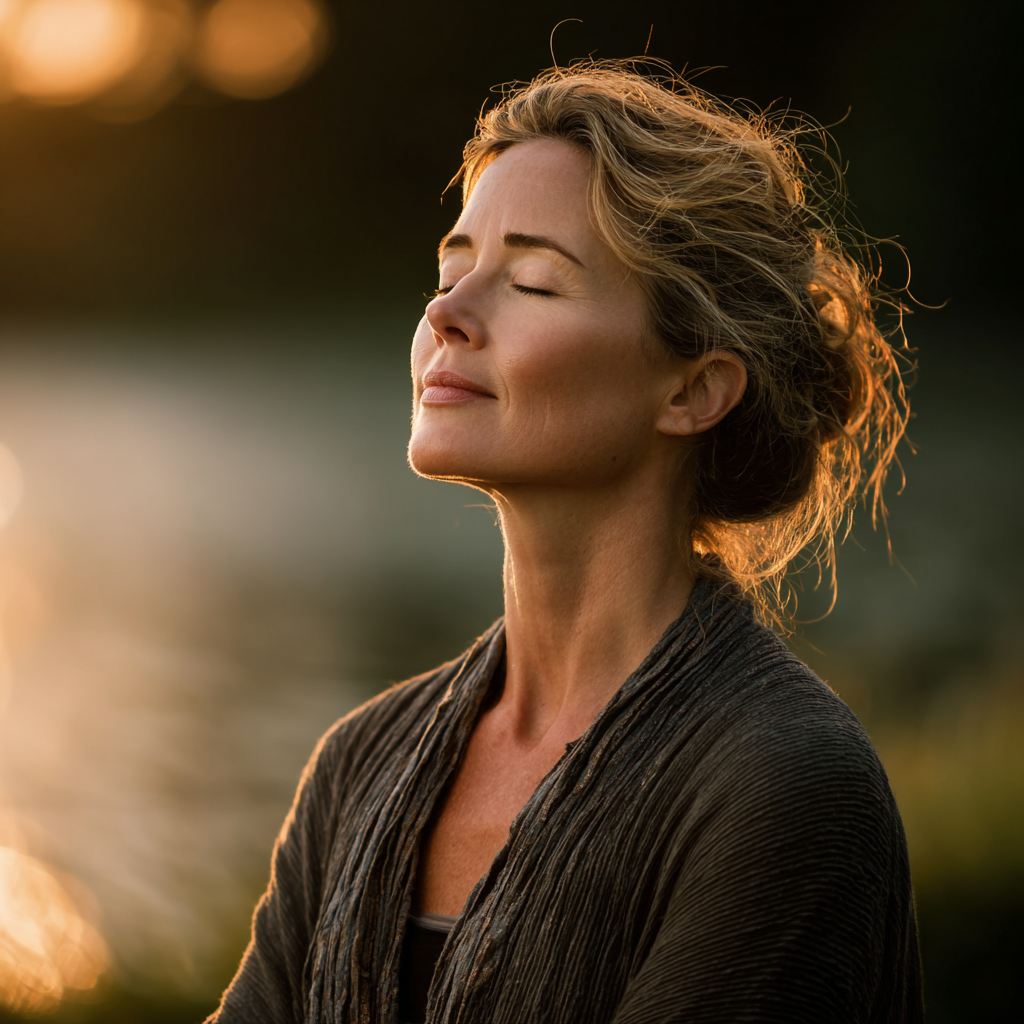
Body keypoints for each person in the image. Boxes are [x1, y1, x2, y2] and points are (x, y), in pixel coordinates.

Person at [208, 62, 924, 1023]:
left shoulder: (781, 785)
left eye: (535, 282)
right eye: (452, 268)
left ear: (693, 389)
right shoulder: (360, 763)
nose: (445, 313)